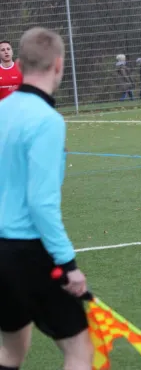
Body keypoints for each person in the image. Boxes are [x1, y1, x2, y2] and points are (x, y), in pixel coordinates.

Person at [0, 27, 94, 370]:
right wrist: (68, 264)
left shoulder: (3, 111)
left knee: (11, 350)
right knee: (79, 352)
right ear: (58, 65)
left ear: (20, 63)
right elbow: (41, 202)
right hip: (28, 252)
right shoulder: (48, 121)